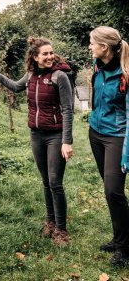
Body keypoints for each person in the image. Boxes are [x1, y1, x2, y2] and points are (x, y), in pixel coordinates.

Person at [0, 37, 74, 246]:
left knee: (55, 183)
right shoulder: (31, 75)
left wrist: (67, 141)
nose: (50, 57)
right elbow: (16, 87)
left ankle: (61, 229)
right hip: (36, 135)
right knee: (45, 181)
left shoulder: (60, 77)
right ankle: (50, 221)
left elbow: (68, 110)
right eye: (45, 54)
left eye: (51, 53)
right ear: (35, 57)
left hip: (56, 135)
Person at [87, 26, 129, 266]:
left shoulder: (126, 73)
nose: (90, 46)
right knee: (110, 192)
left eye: (92, 43)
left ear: (104, 47)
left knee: (114, 191)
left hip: (117, 136)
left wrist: (127, 151)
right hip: (96, 134)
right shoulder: (97, 67)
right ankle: (119, 237)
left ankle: (124, 248)